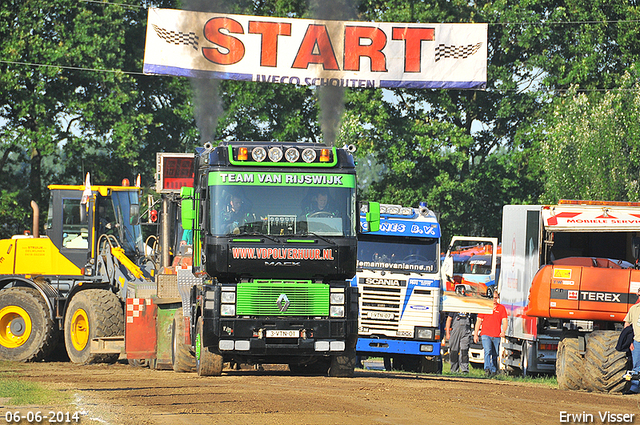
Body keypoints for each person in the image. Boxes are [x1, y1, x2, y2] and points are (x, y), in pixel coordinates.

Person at [473, 291, 508, 376]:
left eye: (495, 298)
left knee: (495, 353)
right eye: (492, 297)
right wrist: (476, 334)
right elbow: (478, 321)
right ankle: (487, 368)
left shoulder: (501, 308)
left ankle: (494, 370)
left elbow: (505, 320)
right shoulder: (485, 307)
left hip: (496, 335)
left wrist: (503, 331)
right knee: (487, 351)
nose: (494, 300)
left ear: (497, 298)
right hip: (486, 334)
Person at [623, 287, 640, 393]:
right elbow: (627, 324)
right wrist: (629, 341)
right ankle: (634, 388)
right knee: (637, 365)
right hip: (637, 342)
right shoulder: (634, 309)